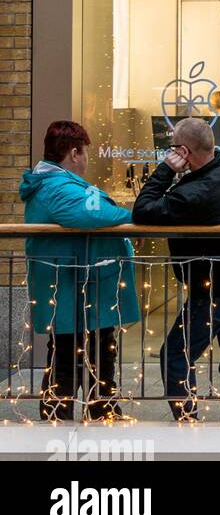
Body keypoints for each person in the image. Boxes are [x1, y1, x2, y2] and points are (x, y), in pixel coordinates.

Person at [132, 117, 220, 422]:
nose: (170, 153)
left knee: (176, 352)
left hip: (212, 287)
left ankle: (187, 416)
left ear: (184, 152)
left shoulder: (193, 193)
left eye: (173, 148)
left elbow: (142, 211)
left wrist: (164, 171)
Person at [20, 120, 140, 422]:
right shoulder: (58, 187)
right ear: (74, 152)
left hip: (78, 283)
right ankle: (65, 413)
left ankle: (94, 408)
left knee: (88, 346)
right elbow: (93, 212)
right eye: (85, 151)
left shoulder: (52, 184)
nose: (86, 158)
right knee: (71, 350)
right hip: (73, 283)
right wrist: (134, 216)